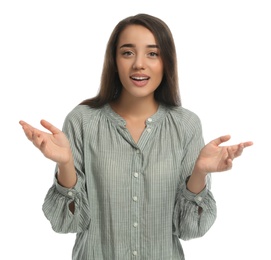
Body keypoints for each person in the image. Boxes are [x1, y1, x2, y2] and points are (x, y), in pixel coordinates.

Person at [19, 13, 253, 260]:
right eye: (128, 52)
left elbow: (189, 229)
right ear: (114, 60)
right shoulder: (82, 121)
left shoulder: (186, 125)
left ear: (167, 62)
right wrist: (65, 164)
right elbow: (66, 223)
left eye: (152, 53)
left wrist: (199, 174)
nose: (139, 64)